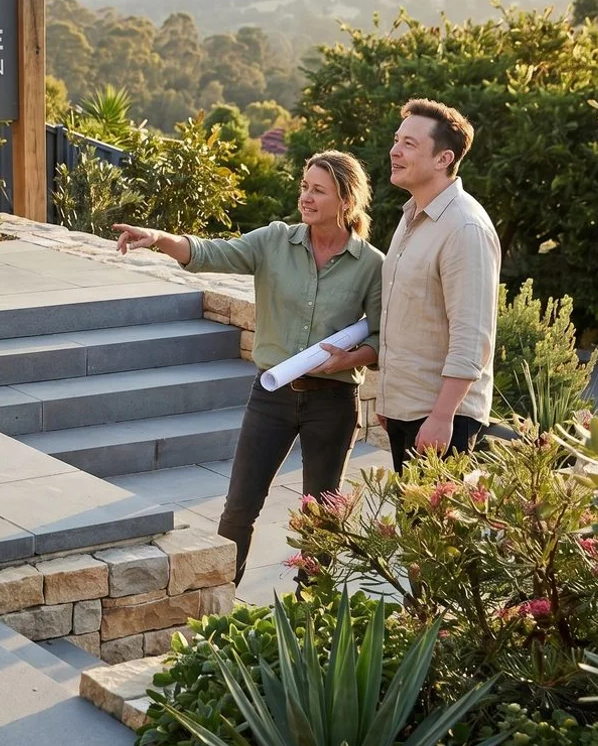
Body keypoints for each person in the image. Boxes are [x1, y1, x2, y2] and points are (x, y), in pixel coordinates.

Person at [113, 151, 384, 584]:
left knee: (321, 514)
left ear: (346, 201)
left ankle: (310, 610)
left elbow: (380, 335)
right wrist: (159, 238)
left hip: (333, 402)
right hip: (271, 396)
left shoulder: (372, 265)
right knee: (239, 506)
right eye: (304, 186)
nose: (306, 197)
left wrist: (352, 358)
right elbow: (210, 252)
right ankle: (222, 605)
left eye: (318, 190)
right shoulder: (274, 240)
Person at [376, 98, 500, 473]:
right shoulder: (413, 216)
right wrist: (389, 402)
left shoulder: (464, 228)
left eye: (409, 144)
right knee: (413, 530)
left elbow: (472, 337)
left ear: (443, 159)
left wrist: (442, 416)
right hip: (407, 411)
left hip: (442, 421)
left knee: (435, 532)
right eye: (397, 140)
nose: (394, 151)